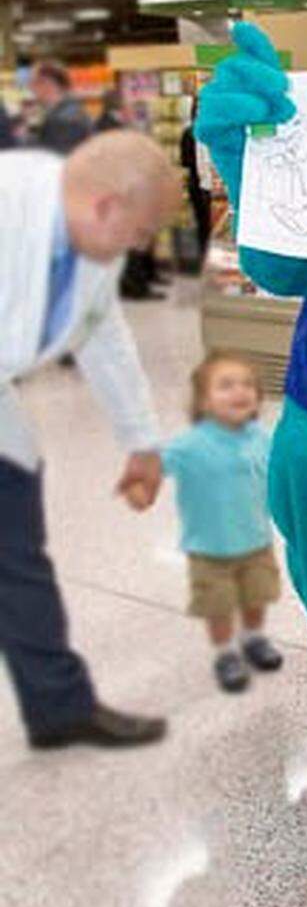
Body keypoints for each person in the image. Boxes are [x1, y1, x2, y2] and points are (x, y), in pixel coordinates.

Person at [0, 131, 180, 748]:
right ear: (106, 207)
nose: (139, 247)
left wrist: (142, 442)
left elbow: (103, 335)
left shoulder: (90, 248)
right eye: (138, 235)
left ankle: (57, 707)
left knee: (17, 557)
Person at [144, 353, 283, 694]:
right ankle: (225, 653)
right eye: (226, 386)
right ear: (203, 401)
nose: (240, 392)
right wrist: (140, 483)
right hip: (209, 549)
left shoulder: (261, 438)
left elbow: (278, 473)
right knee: (218, 606)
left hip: (256, 541)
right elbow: (154, 468)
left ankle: (253, 638)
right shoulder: (189, 445)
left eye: (247, 385)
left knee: (257, 597)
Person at [30, 60, 92, 156]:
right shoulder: (73, 109)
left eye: (34, 83)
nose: (31, 88)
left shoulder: (61, 120)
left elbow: (56, 160)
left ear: (47, 84)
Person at [182, 100, 213, 272]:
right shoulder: (188, 133)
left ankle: (211, 259)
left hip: (213, 186)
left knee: (213, 224)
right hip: (198, 185)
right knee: (202, 224)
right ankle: (202, 260)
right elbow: (185, 161)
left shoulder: (213, 132)